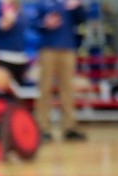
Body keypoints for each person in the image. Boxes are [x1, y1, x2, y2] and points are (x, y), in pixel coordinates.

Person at [35, 0, 88, 141]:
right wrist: (46, 23)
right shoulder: (43, 3)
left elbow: (82, 20)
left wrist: (77, 7)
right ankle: (43, 127)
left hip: (68, 48)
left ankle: (69, 127)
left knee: (67, 89)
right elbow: (34, 24)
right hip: (48, 49)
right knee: (45, 88)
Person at [0, 0, 31, 87]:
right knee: (4, 89)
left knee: (20, 90)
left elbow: (25, 25)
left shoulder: (18, 8)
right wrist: (4, 23)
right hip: (3, 56)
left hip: (19, 57)